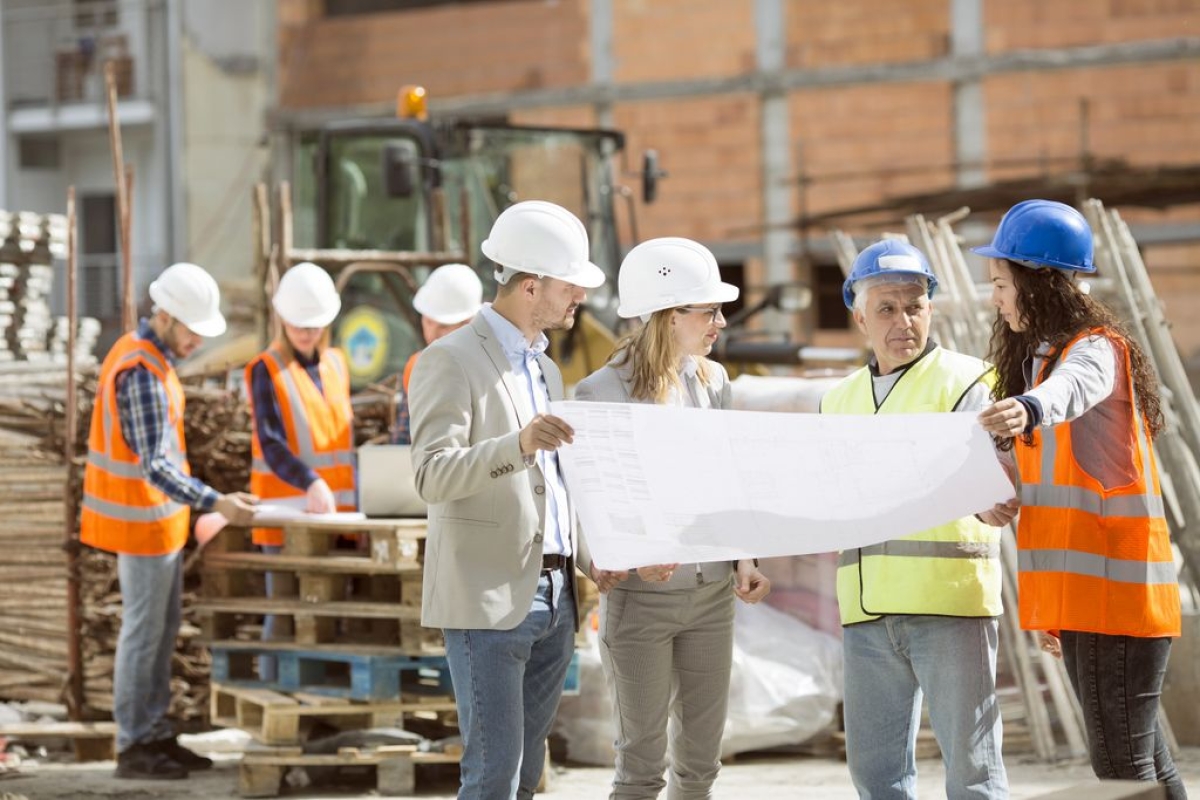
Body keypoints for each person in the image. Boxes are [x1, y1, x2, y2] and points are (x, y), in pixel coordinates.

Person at [975, 200, 1186, 799]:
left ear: (1038, 281)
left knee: (1122, 773)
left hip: (1113, 601)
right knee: (1145, 764)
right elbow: (1042, 476)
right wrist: (995, 496)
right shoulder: (1040, 360)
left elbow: (1074, 388)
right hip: (1095, 600)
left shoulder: (1094, 350)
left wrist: (1031, 407)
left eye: (1000, 283)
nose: (995, 297)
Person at [407, 200, 605, 799]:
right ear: (529, 285)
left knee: (523, 780)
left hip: (553, 598)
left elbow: (559, 484)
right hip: (487, 601)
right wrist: (515, 445)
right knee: (491, 777)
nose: (579, 298)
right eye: (570, 285)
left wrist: (593, 558)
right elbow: (431, 476)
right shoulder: (448, 360)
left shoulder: (545, 368)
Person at [573, 237, 771, 800]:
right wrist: (614, 557)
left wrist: (745, 559)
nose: (720, 321)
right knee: (640, 768)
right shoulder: (601, 392)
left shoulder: (713, 382)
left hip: (710, 598)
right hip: (641, 603)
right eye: (708, 310)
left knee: (702, 764)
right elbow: (587, 496)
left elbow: (727, 479)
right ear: (667, 314)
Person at [820, 240, 1017, 800]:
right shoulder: (836, 401)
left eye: (915, 304)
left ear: (932, 308)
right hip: (865, 611)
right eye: (886, 308)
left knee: (974, 775)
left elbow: (997, 478)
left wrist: (994, 494)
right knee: (878, 780)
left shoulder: (971, 382)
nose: (903, 320)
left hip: (948, 603)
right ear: (859, 316)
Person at [80, 262, 257, 780]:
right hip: (141, 525)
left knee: (158, 633)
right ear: (168, 317)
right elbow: (154, 465)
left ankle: (154, 734)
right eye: (193, 330)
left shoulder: (148, 359)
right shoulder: (141, 371)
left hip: (157, 525)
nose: (197, 341)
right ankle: (136, 744)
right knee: (143, 635)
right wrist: (216, 501)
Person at [245, 262, 356, 680]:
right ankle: (276, 690)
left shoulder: (337, 364)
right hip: (286, 512)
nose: (306, 333)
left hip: (337, 514)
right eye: (297, 325)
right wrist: (310, 480)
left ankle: (319, 693)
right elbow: (270, 442)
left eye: (313, 325)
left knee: (326, 612)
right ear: (282, 320)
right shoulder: (265, 369)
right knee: (286, 610)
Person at [393, 262, 483, 444]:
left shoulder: (491, 368)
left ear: (469, 323)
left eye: (443, 326)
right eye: (427, 322)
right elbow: (403, 441)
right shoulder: (416, 366)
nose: (431, 334)